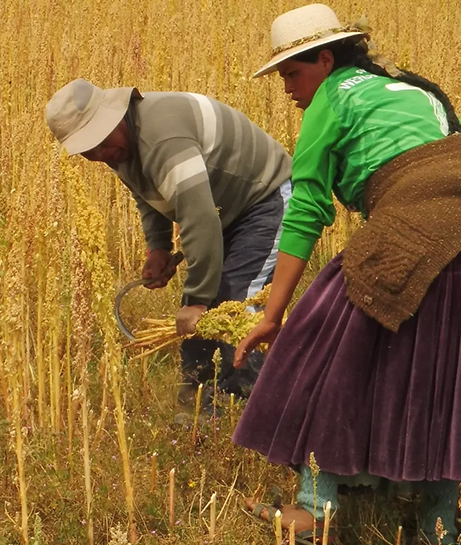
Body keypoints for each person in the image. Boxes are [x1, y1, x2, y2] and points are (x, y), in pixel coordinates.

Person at [231, 4, 461, 543]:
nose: (288, 88)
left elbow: (309, 206)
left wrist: (274, 314)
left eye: (291, 73)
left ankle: (317, 507)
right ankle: (439, 525)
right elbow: (455, 152)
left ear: (324, 59)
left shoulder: (330, 97)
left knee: (318, 343)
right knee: (451, 372)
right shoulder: (419, 88)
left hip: (421, 226)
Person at [45, 79, 293, 410]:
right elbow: (147, 193)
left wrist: (197, 300)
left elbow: (200, 219)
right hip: (227, 210)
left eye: (101, 143)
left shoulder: (161, 137)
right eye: (89, 151)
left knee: (237, 307)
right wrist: (157, 248)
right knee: (202, 316)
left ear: (114, 116)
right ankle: (199, 411)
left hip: (265, 197)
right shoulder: (121, 146)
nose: (100, 155)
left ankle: (249, 415)